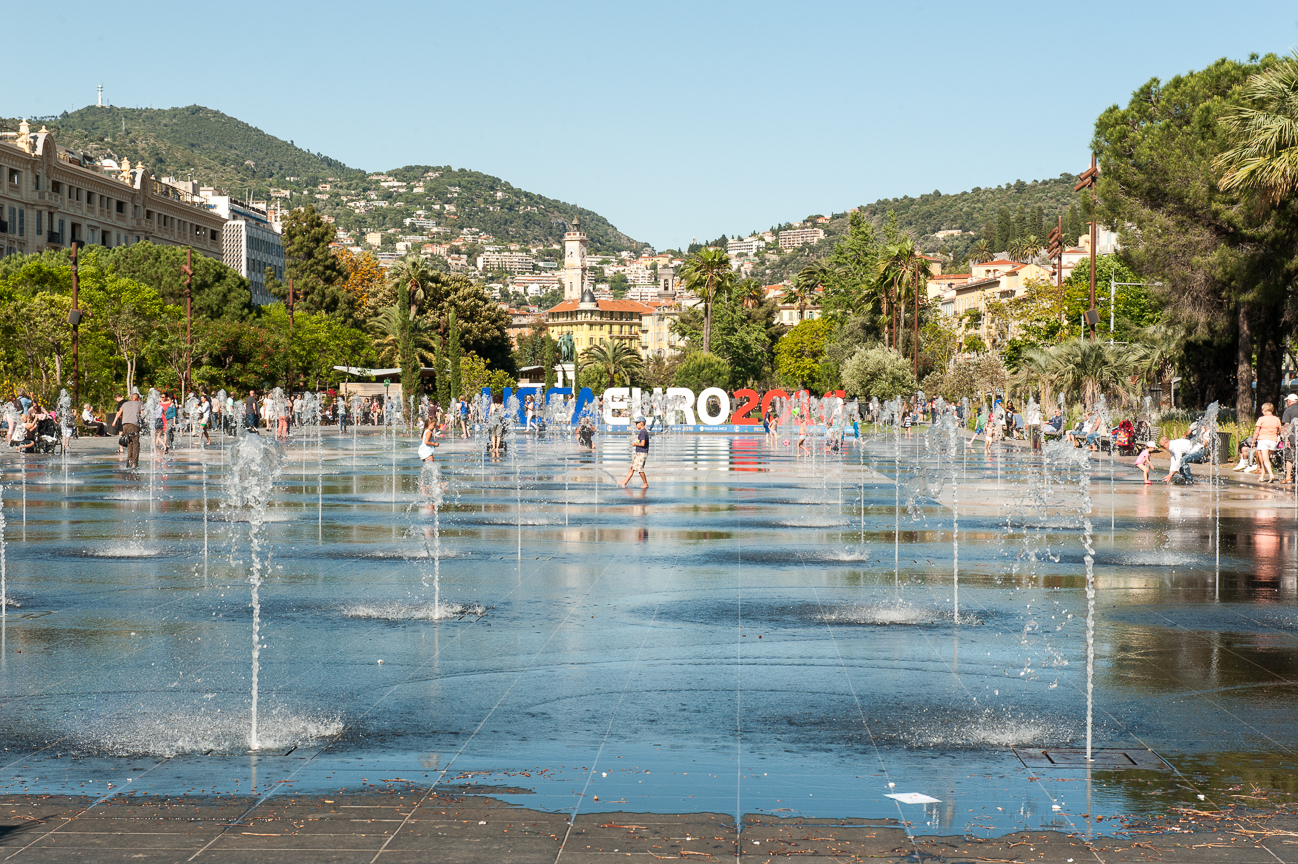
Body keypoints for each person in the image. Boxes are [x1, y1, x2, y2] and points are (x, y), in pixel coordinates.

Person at [1251, 402, 1283, 482]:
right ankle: (1262, 476)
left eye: (1262, 410)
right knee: (1266, 459)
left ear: (1264, 410)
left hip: (1263, 440)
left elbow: (1256, 432)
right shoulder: (1277, 419)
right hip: (1273, 440)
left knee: (1265, 459)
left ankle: (1271, 474)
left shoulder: (1261, 419)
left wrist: (1253, 441)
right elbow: (1280, 431)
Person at [113, 392, 144, 469]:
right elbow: (143, 415)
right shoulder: (139, 403)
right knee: (136, 444)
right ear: (138, 399)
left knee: (129, 442)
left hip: (125, 425)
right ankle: (134, 463)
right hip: (133, 425)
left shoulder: (125, 404)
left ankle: (129, 460)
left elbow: (118, 414)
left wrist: (115, 421)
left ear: (131, 399)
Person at [620, 416, 649, 489]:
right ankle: (624, 483)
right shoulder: (643, 432)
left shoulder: (643, 432)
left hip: (642, 453)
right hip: (639, 453)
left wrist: (635, 444)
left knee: (640, 469)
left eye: (637, 423)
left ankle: (645, 483)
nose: (636, 425)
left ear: (641, 423)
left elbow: (643, 444)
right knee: (632, 468)